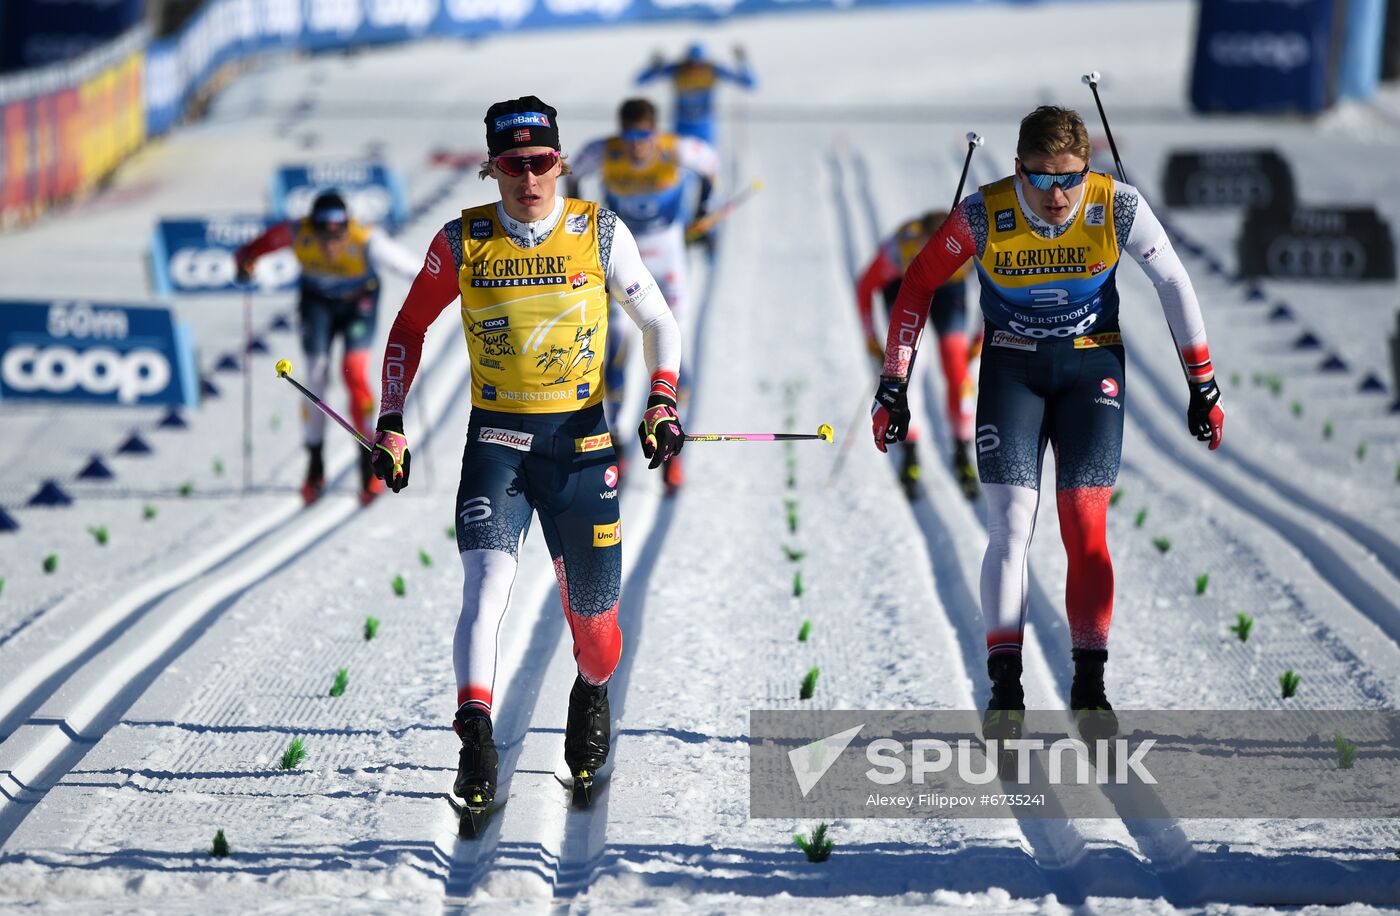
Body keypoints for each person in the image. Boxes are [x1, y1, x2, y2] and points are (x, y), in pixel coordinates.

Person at [870, 106, 1225, 742]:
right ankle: (1005, 689)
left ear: (1087, 168)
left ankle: (1090, 685)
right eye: (1039, 179)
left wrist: (1203, 384)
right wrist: (894, 383)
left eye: (1069, 178)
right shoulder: (984, 211)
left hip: (1092, 370)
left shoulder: (1115, 205)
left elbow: (1173, 279)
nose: (1057, 195)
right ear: (1017, 170)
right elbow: (917, 284)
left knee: (1086, 527)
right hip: (1013, 372)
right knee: (1009, 529)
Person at [368, 97, 684, 811]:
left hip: (580, 448)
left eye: (542, 162)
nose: (530, 178)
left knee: (598, 635)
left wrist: (661, 400)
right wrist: (392, 421)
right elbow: (407, 328)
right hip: (497, 447)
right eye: (514, 165)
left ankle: (590, 691)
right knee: (484, 589)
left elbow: (659, 319)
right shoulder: (461, 241)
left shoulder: (598, 232)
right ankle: (475, 740)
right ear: (491, 169)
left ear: (561, 162)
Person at [568, 97, 718, 493]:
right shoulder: (604, 151)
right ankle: (616, 441)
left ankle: (673, 446)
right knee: (615, 345)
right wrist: (581, 220)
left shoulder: (675, 148)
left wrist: (702, 209)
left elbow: (710, 164)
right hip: (623, 255)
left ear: (655, 132)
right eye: (632, 136)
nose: (638, 145)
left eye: (644, 136)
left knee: (674, 345)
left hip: (668, 255)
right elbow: (572, 175)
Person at [235, 191, 420, 504]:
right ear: (313, 227)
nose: (331, 244)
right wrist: (245, 264)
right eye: (324, 235)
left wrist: (431, 292)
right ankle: (315, 466)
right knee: (316, 376)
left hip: (358, 303)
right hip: (317, 303)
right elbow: (251, 250)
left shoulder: (366, 239)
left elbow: (412, 267)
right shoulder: (297, 232)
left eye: (338, 235)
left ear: (347, 227)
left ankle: (367, 466)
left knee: (355, 375)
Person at [856, 209, 980, 501]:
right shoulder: (899, 249)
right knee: (908, 370)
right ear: (920, 239)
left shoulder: (969, 247)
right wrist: (871, 338)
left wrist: (981, 337)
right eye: (928, 247)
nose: (934, 254)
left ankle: (962, 451)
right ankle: (910, 453)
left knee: (956, 368)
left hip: (948, 289)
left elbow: (998, 288)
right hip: (904, 286)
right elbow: (865, 288)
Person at [635, 42, 755, 146]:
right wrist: (655, 66)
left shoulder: (713, 70)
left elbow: (749, 83)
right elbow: (640, 81)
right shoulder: (676, 70)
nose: (694, 68)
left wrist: (743, 63)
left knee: (707, 167)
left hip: (705, 128)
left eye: (699, 64)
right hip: (681, 128)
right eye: (691, 64)